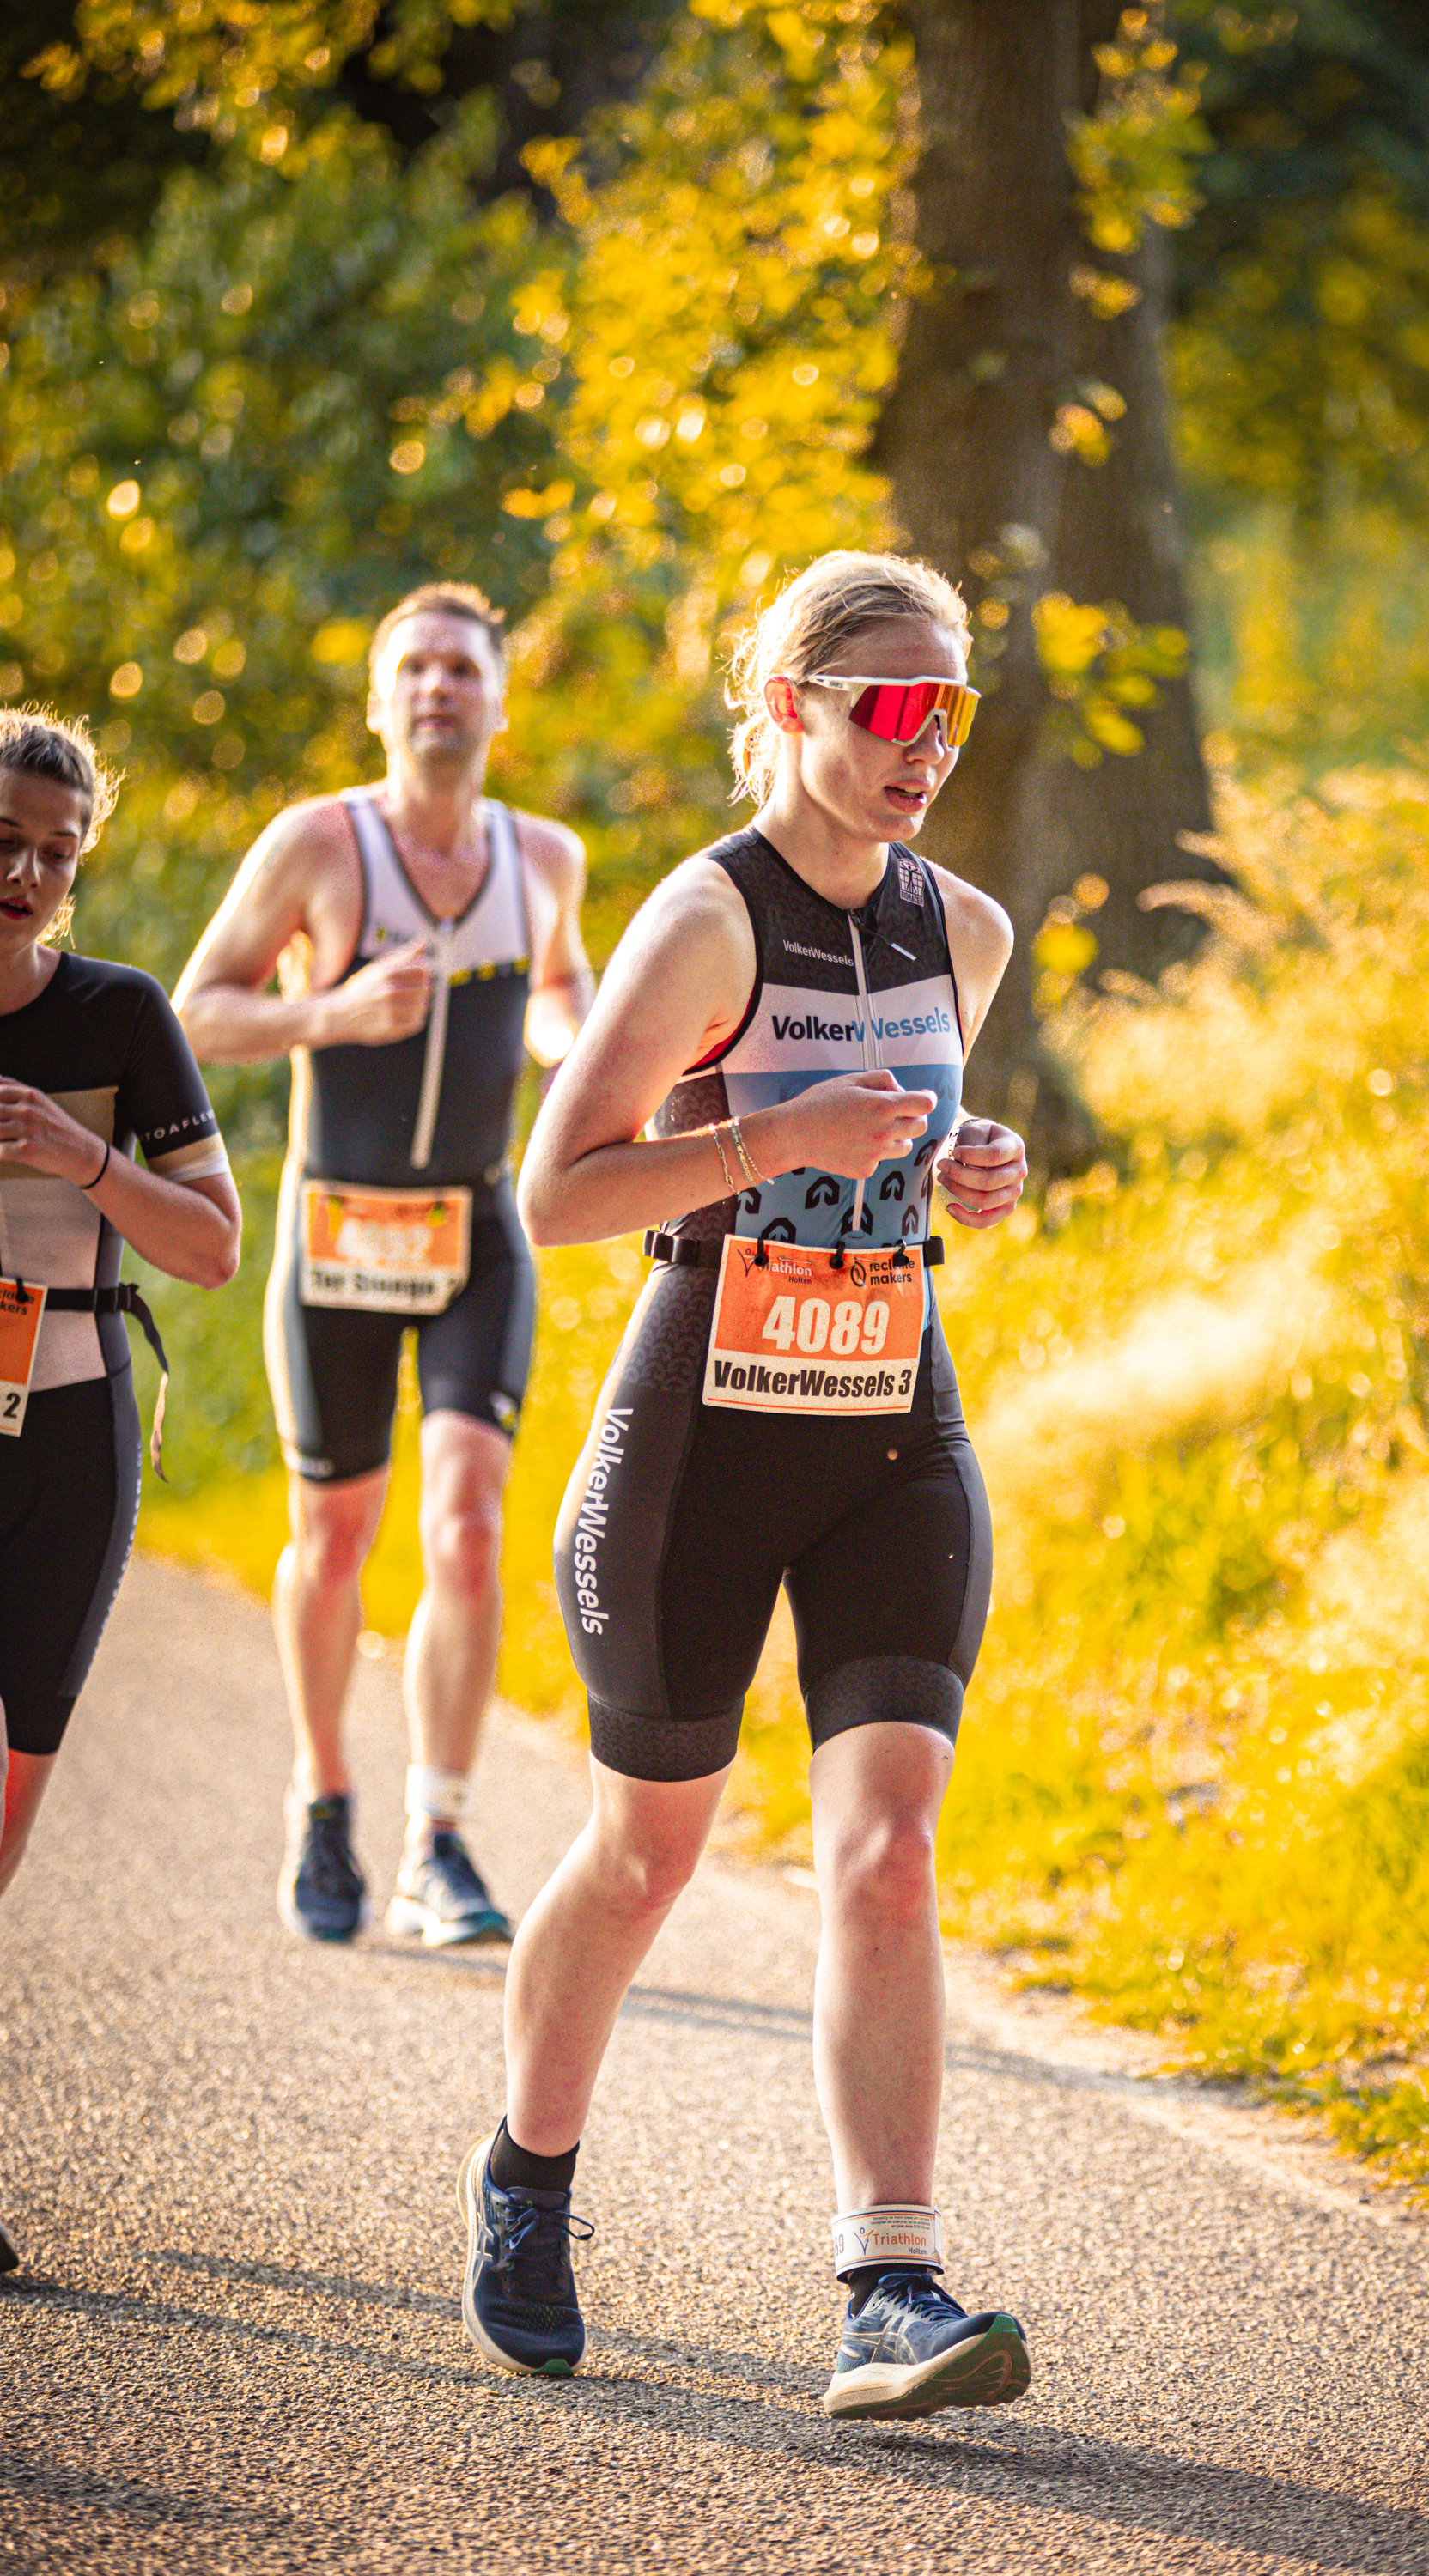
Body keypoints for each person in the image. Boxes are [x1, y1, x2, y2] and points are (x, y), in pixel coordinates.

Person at [458, 549, 1032, 2421]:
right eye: (887, 705)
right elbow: (555, 1196)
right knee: (649, 1856)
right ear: (786, 707)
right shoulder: (707, 923)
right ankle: (529, 2176)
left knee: (889, 1851)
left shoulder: (970, 931)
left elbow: (914, 1142)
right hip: (702, 1426)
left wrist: (962, 1178)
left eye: (949, 709)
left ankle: (892, 2284)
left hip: (892, 1420)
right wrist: (773, 1134)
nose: (923, 744)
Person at [174, 584, 593, 1951]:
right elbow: (198, 1012)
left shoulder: (546, 861)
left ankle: (443, 1837)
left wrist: (570, 1047)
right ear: (379, 700)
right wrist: (333, 1010)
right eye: (410, 666)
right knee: (336, 1535)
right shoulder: (319, 845)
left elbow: (561, 997)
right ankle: (323, 1794)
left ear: (497, 698)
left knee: (469, 1521)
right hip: (336, 1231)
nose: (436, 688)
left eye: (461, 668)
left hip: (476, 1231)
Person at [0, 707, 241, 2273]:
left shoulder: (119, 1017)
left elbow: (214, 1245)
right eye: (3, 841)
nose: (25, 871)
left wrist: (81, 1163)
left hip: (66, 1442)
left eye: (56, 852)